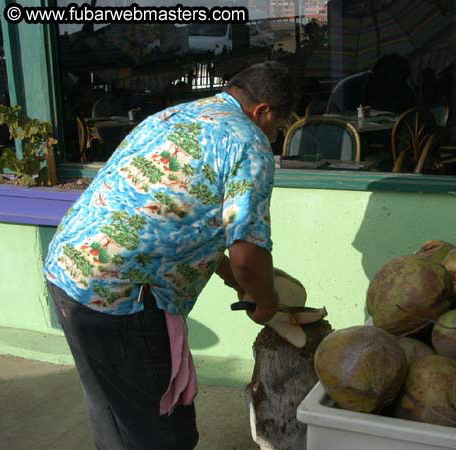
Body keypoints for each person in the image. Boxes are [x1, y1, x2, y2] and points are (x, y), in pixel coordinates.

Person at [43, 61, 300, 450]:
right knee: (163, 434)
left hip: (67, 273)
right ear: (262, 111)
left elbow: (177, 212)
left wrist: (229, 276)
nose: (273, 135)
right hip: (123, 300)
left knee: (112, 413)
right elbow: (248, 254)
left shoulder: (174, 114)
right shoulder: (249, 143)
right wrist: (266, 303)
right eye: (277, 126)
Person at [327, 53, 417, 114]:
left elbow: (412, 114)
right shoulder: (349, 89)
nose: (400, 87)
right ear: (380, 74)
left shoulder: (404, 89)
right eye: (396, 84)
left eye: (403, 81)